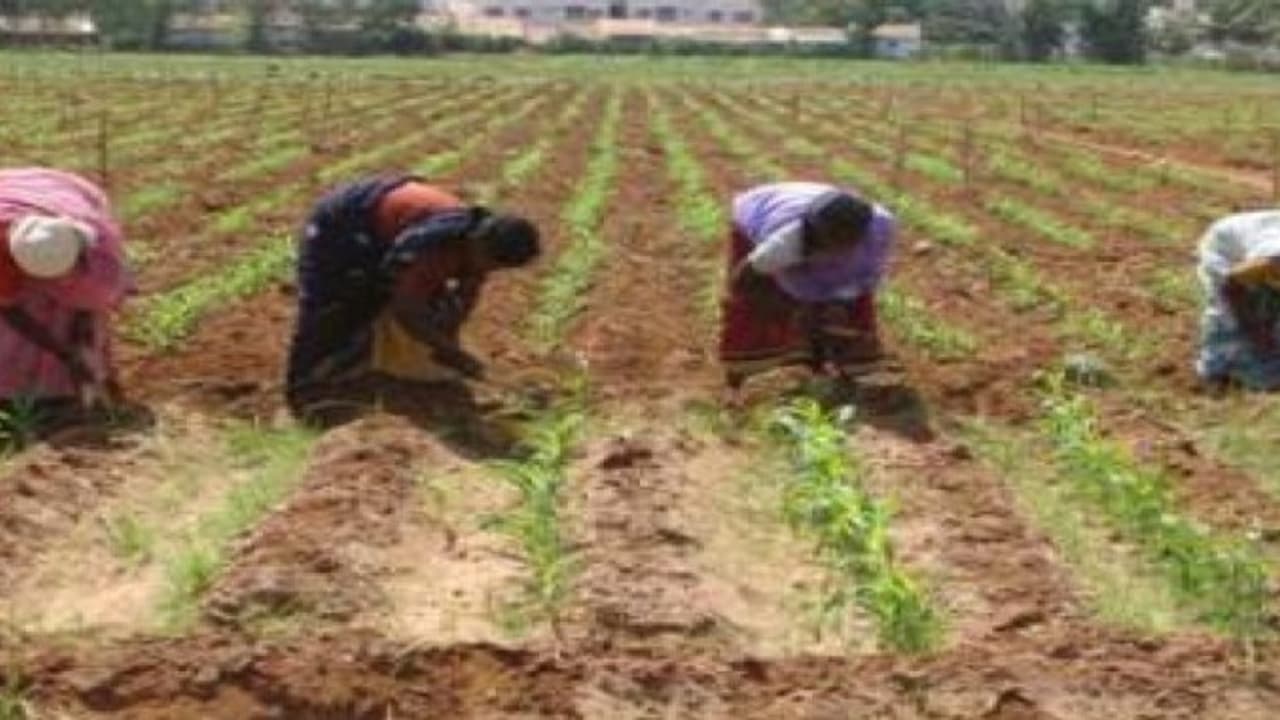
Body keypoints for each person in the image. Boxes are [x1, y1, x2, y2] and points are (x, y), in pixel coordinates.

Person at [286, 174, 540, 415]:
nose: (490, 271)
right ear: (478, 244)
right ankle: (306, 387)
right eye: (490, 264)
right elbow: (406, 309)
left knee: (423, 302)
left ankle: (362, 366)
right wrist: (449, 351)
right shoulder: (437, 248)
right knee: (338, 301)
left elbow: (465, 295)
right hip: (345, 221)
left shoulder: (481, 243)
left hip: (388, 224)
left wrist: (448, 337)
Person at [721, 182, 896, 397]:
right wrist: (771, 305)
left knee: (850, 306)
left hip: (805, 202)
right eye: (825, 240)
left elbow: (866, 277)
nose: (828, 246)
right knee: (760, 305)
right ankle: (740, 381)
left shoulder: (877, 230)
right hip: (757, 210)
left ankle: (850, 371)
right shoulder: (785, 243)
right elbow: (742, 279)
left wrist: (837, 304)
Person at [0, 168, 130, 411]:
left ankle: (72, 389)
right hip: (12, 192)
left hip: (59, 189)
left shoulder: (99, 243)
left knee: (74, 317)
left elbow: (106, 295)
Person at [1196, 209, 1280, 390]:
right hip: (1227, 253)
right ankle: (1216, 371)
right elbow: (1232, 284)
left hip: (1259, 242)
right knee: (1229, 318)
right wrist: (1257, 334)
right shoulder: (1273, 260)